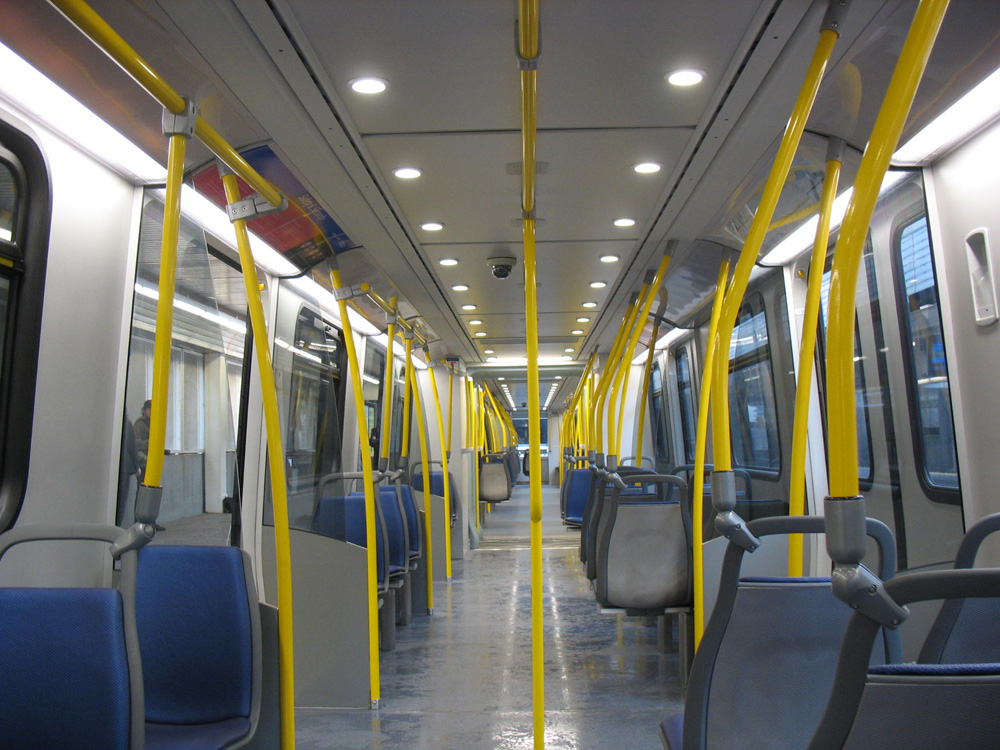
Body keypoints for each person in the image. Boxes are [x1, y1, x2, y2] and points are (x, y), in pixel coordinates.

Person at [117, 410, 141, 527]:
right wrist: (136, 466)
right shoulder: (127, 423)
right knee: (121, 502)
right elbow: (132, 446)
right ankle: (116, 528)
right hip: (124, 468)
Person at [134, 399, 151, 483]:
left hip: (150, 462)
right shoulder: (140, 424)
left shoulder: (152, 423)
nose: (151, 412)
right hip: (142, 462)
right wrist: (149, 443)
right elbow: (136, 444)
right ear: (144, 411)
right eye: (149, 409)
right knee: (142, 486)